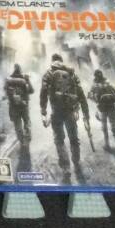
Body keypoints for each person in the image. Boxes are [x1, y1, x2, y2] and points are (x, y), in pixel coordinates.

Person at [39, 53, 90, 182]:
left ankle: (66, 168)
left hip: (56, 112)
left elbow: (43, 92)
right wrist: (86, 115)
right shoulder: (71, 73)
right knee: (74, 138)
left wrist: (43, 112)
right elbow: (81, 94)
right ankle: (76, 161)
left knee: (59, 140)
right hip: (70, 111)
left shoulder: (49, 73)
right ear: (62, 60)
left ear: (52, 61)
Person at [88, 69, 115, 151]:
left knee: (104, 128)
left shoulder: (94, 85)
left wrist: (96, 101)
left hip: (102, 109)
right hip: (111, 107)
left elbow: (90, 96)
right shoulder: (108, 82)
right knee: (114, 128)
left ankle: (107, 145)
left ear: (95, 76)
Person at [3, 63, 34, 145]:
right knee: (27, 122)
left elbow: (5, 91)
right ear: (20, 69)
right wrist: (28, 80)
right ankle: (27, 138)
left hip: (13, 106)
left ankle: (21, 140)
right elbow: (31, 91)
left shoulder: (9, 80)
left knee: (17, 125)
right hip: (24, 105)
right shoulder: (24, 79)